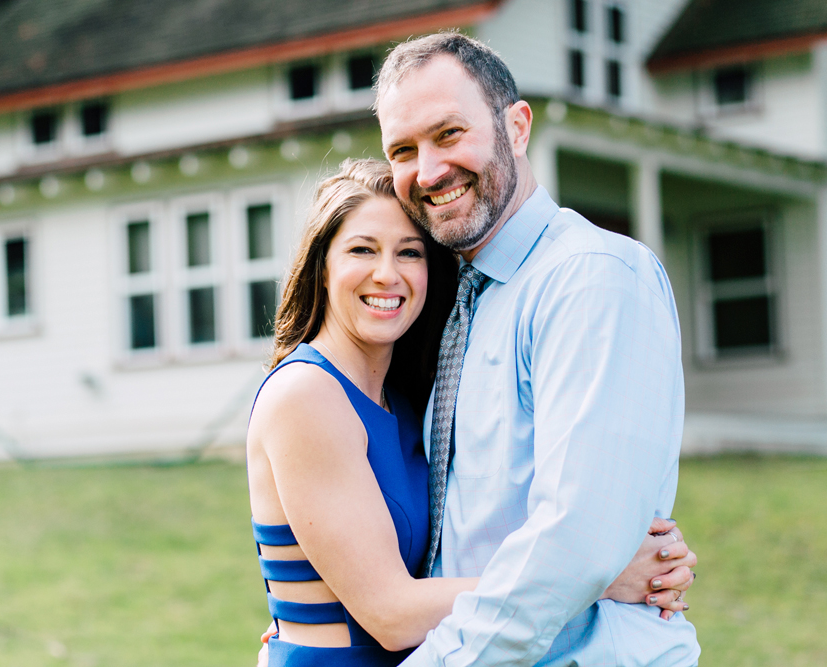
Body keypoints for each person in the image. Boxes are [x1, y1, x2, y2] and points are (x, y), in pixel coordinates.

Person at [247, 159, 696, 667]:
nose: (386, 273)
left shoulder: (406, 398)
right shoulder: (306, 394)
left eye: (409, 252)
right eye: (361, 250)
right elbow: (390, 613)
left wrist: (608, 549)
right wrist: (589, 577)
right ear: (321, 268)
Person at [374, 33, 702, 665]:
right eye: (403, 150)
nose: (429, 170)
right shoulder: (450, 302)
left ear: (516, 126)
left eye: (449, 134)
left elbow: (575, 542)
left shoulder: (592, 277)